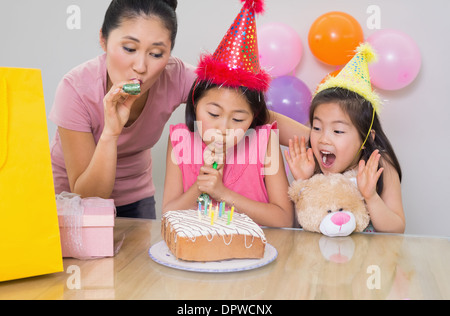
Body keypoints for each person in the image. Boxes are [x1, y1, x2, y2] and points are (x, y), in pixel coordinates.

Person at [49, 0, 308, 219]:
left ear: (170, 53)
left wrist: (320, 138)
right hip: (72, 202)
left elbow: (240, 106)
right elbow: (87, 196)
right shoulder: (76, 90)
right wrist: (110, 133)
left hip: (137, 198)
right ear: (103, 40)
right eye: (129, 48)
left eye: (156, 53)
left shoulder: (175, 76)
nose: (140, 66)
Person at [162, 0, 294, 227]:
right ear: (195, 104)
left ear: (253, 118)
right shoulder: (180, 142)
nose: (223, 128)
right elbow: (168, 214)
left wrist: (222, 193)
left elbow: (283, 219)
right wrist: (200, 187)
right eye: (213, 114)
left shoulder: (264, 143)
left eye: (238, 119)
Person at [285, 44, 405, 233]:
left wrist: (371, 196)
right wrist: (304, 182)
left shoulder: (380, 165)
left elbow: (397, 229)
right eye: (316, 127)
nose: (323, 139)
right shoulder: (311, 165)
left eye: (338, 131)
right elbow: (304, 228)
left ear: (366, 137)